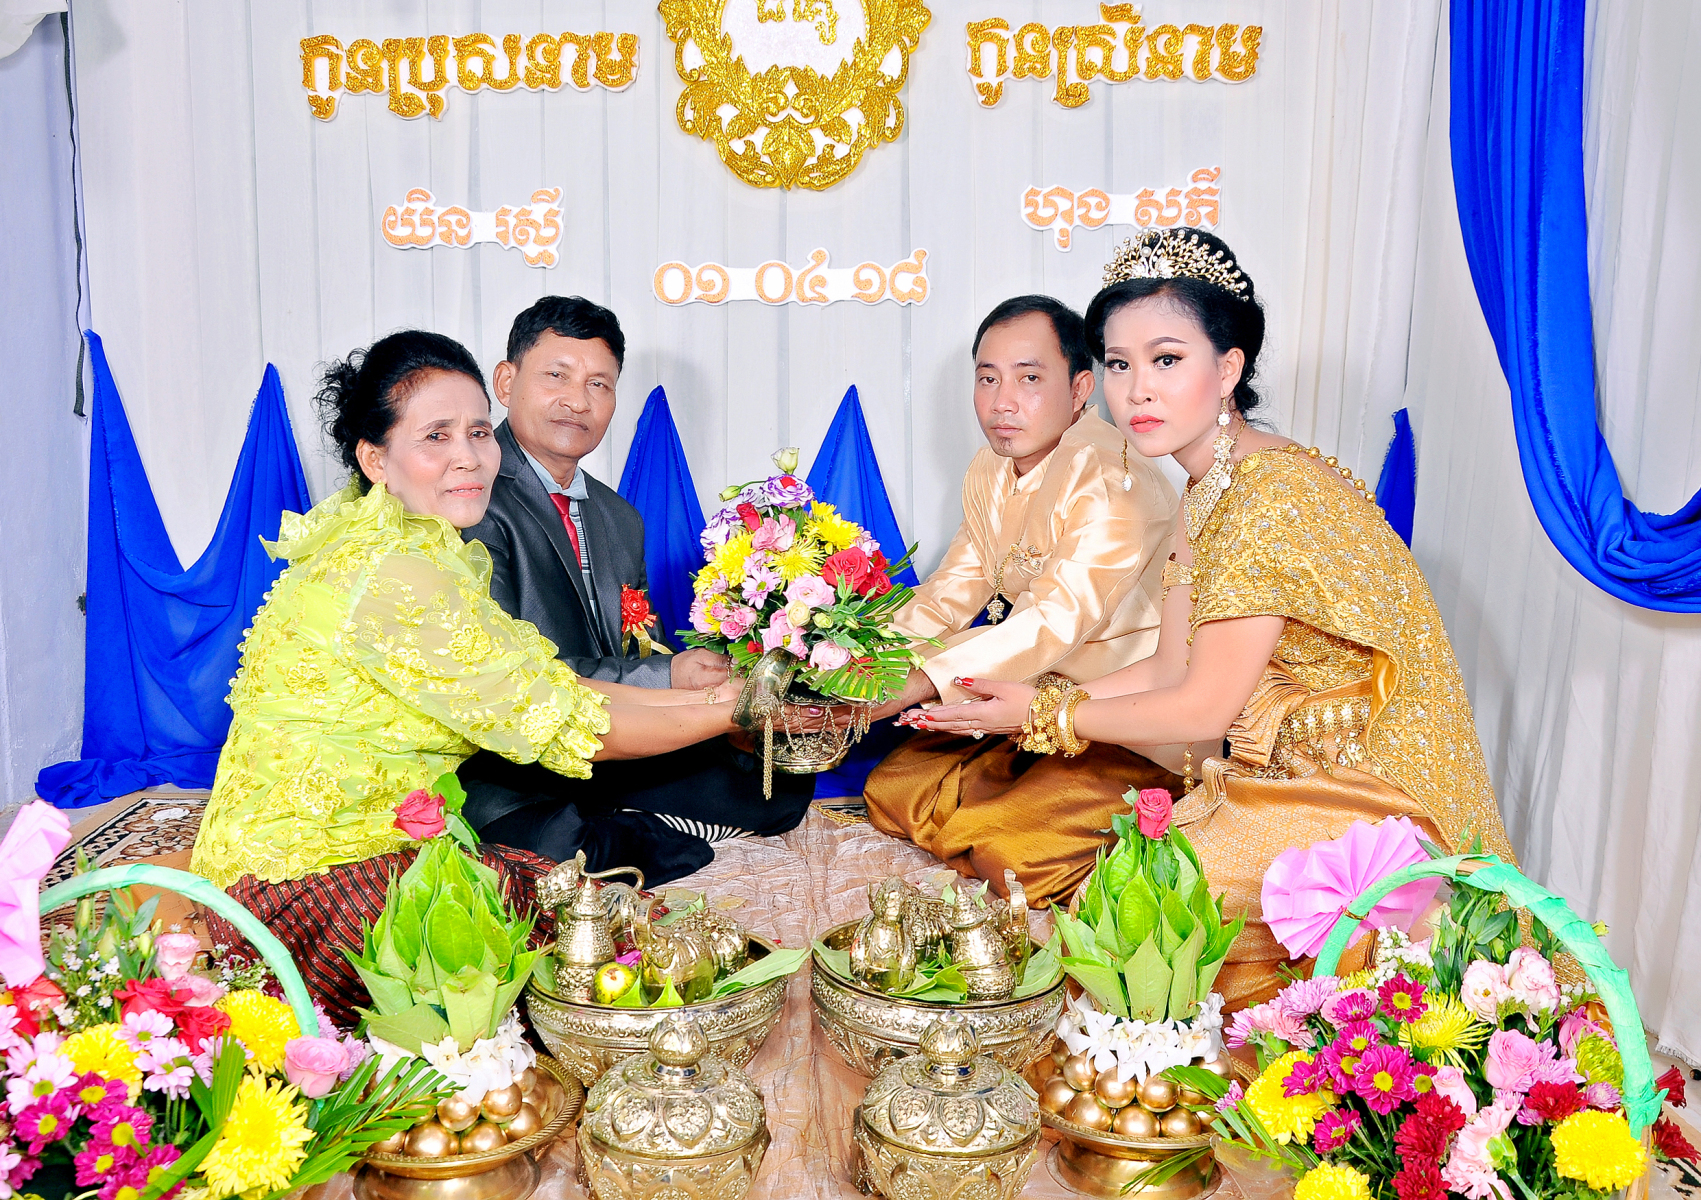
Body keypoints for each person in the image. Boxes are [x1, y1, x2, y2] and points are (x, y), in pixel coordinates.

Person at [903, 229, 1519, 1009]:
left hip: (1361, 790)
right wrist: (1028, 707)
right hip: (1278, 767)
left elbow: (1201, 709)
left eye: (1165, 360)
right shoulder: (1208, 489)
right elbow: (1169, 667)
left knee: (1135, 928)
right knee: (1121, 908)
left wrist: (1041, 713)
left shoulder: (1267, 495)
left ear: (1226, 369)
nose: (1137, 391)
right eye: (1118, 364)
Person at [189, 331, 778, 1023]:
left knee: (597, 916)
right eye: (435, 436)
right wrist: (736, 709)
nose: (468, 456)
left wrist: (715, 698)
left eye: (476, 431)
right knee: (594, 958)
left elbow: (547, 684)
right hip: (302, 893)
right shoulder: (397, 574)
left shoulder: (398, 541)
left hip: (290, 865)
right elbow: (572, 725)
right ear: (376, 459)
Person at [459, 296, 814, 860]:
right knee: (565, 842)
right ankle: (608, 829)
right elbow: (508, 678)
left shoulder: (618, 516)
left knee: (780, 788)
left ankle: (623, 821)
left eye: (599, 384)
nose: (578, 400)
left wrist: (700, 680)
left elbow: (641, 646)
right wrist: (671, 678)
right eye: (557, 375)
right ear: (506, 381)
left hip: (613, 738)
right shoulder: (469, 495)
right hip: (515, 754)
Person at [863, 295, 1181, 906]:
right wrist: (867, 661)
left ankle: (1153, 806)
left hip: (1123, 710)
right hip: (1033, 690)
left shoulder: (1111, 476)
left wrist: (923, 680)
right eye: (988, 379)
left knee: (1015, 856)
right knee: (894, 788)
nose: (1002, 402)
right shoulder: (990, 467)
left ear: (1080, 388)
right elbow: (952, 589)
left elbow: (1054, 618)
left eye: (1029, 379)